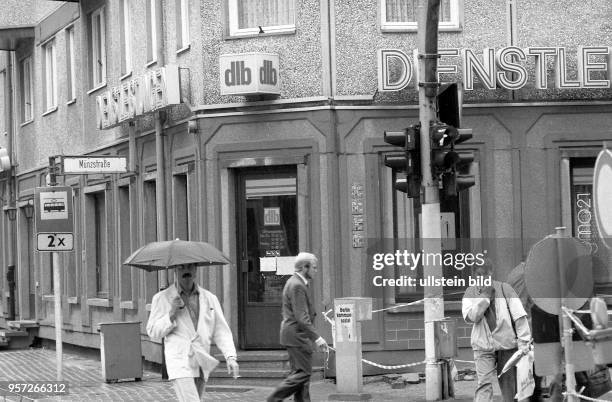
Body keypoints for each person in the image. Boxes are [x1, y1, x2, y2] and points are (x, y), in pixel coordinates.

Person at [147, 264, 239, 402]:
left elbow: (221, 329)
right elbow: (153, 331)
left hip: (201, 360)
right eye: (182, 268)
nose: (186, 271)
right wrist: (171, 314)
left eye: (190, 267)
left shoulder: (209, 298)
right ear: (175, 270)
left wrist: (230, 356)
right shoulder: (162, 298)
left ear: (195, 269)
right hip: (179, 360)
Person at [462, 259, 533, 402]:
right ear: (474, 275)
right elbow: (472, 317)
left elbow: (519, 317)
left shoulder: (505, 289)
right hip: (483, 346)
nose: (482, 277)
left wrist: (523, 343)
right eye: (478, 274)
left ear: (491, 273)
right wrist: (485, 298)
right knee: (484, 385)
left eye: (485, 274)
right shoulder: (470, 292)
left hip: (507, 345)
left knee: (509, 386)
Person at [267, 252, 328, 402]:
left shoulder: (294, 283)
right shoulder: (297, 285)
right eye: (314, 267)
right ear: (304, 267)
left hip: (294, 335)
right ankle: (273, 399)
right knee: (303, 373)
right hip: (297, 336)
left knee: (301, 377)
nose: (316, 270)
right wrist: (318, 338)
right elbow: (302, 317)